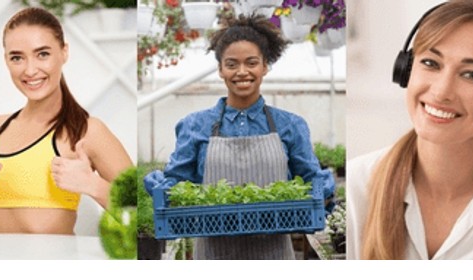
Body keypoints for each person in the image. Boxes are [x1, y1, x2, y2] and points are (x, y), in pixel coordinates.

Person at [347, 0, 473, 260]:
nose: (442, 91)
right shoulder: (357, 184)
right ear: (406, 70)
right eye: (431, 63)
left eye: (471, 75)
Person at [143, 14, 335, 260]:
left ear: (265, 66)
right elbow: (178, 184)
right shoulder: (195, 126)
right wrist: (161, 189)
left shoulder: (291, 126)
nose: (242, 72)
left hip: (274, 255)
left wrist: (322, 192)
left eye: (251, 62)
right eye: (232, 64)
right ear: (221, 69)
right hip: (213, 255)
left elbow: (311, 181)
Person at [0, 7, 132, 235]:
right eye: (17, 57)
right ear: (7, 61)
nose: (30, 70)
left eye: (43, 54)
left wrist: (93, 185)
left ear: (64, 52)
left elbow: (142, 215)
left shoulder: (86, 131)